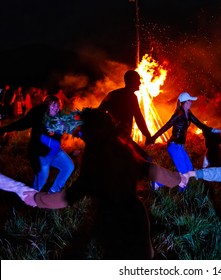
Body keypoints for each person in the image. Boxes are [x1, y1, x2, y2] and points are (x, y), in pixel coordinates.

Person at [23, 108, 185, 259]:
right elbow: (148, 168)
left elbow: (72, 195)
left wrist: (38, 199)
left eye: (82, 128)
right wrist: (177, 179)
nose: (79, 132)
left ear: (91, 131)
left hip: (112, 219)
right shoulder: (122, 147)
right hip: (136, 214)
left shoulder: (94, 159)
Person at [0, 95, 74, 193]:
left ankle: (53, 191)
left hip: (55, 151)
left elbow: (69, 128)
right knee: (41, 181)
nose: (56, 108)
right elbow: (22, 123)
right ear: (47, 105)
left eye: (58, 105)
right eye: (53, 105)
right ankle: (32, 200)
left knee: (68, 166)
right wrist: (5, 129)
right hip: (40, 154)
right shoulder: (38, 115)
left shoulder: (59, 118)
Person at [146, 92, 211, 191]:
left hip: (180, 146)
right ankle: (180, 193)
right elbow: (167, 126)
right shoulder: (178, 114)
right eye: (190, 101)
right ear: (185, 102)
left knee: (189, 168)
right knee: (184, 172)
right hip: (174, 146)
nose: (191, 103)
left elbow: (198, 123)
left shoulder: (188, 113)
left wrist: (210, 130)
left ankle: (160, 183)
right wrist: (153, 137)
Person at [98, 69, 152, 161]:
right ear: (132, 81)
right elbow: (139, 118)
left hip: (112, 137)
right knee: (146, 159)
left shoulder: (112, 94)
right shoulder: (131, 97)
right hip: (122, 139)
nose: (140, 83)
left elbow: (98, 112)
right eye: (138, 80)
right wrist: (147, 135)